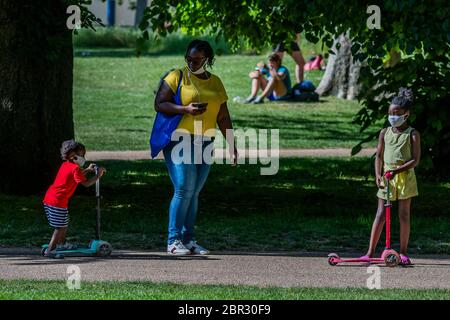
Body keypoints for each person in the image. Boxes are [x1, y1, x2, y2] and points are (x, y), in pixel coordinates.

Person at [154, 39, 238, 255]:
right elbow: (160, 103)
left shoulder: (216, 82)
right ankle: (173, 241)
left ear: (207, 59)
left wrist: (232, 145)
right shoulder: (175, 76)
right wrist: (184, 109)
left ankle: (189, 239)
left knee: (194, 192)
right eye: (189, 59)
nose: (192, 63)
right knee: (183, 188)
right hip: (179, 138)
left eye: (197, 59)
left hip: (205, 139)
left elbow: (223, 115)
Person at [361, 88, 420, 266]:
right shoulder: (384, 133)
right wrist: (378, 174)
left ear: (406, 114)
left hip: (404, 178)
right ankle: (370, 252)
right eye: (390, 113)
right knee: (380, 214)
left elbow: (415, 160)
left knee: (403, 214)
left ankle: (403, 252)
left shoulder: (413, 134)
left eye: (397, 113)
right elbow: (379, 156)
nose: (393, 116)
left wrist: (397, 170)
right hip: (386, 178)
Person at [43, 140, 106, 259]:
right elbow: (86, 183)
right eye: (81, 155)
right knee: (60, 227)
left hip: (50, 198)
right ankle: (50, 251)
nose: (83, 157)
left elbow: (75, 176)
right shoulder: (75, 169)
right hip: (58, 201)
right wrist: (98, 175)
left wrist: (87, 170)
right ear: (73, 156)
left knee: (63, 223)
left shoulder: (66, 165)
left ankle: (61, 244)